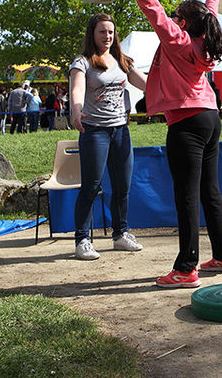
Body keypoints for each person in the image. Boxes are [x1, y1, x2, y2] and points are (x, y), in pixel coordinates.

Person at [128, 0, 222, 288]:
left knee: (187, 197)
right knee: (209, 191)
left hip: (187, 124)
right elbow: (211, 10)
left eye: (177, 16)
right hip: (209, 118)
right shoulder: (206, 39)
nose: (172, 19)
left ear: (185, 23)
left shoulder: (178, 41)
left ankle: (186, 268)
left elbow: (153, 9)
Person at [68, 13, 148, 260]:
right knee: (91, 186)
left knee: (122, 185)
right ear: (92, 33)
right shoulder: (82, 62)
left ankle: (120, 234)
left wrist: (171, 89)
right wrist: (76, 109)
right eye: (102, 31)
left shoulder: (122, 61)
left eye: (111, 32)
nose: (107, 36)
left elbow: (146, 83)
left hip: (121, 131)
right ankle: (82, 239)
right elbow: (77, 88)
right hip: (94, 131)